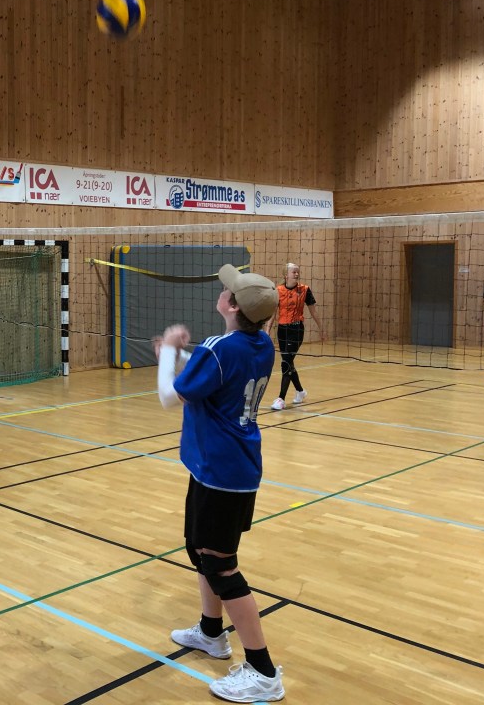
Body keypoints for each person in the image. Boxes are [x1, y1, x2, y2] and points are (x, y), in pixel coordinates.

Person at [155, 264, 284, 703]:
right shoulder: (260, 344)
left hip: (222, 472)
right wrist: (181, 356)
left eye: (228, 289)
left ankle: (263, 672)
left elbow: (170, 396)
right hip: (222, 468)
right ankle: (212, 633)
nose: (223, 290)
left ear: (231, 306)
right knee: (201, 551)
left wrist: (168, 353)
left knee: (222, 567)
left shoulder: (218, 347)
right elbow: (218, 374)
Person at [265, 262, 325, 411]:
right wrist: (267, 331)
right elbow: (272, 313)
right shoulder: (278, 291)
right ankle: (300, 391)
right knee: (288, 363)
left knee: (285, 363)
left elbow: (313, 312)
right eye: (294, 272)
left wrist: (321, 329)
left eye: (298, 272)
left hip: (296, 330)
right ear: (286, 275)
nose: (297, 274)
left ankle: (281, 399)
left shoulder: (305, 290)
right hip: (282, 330)